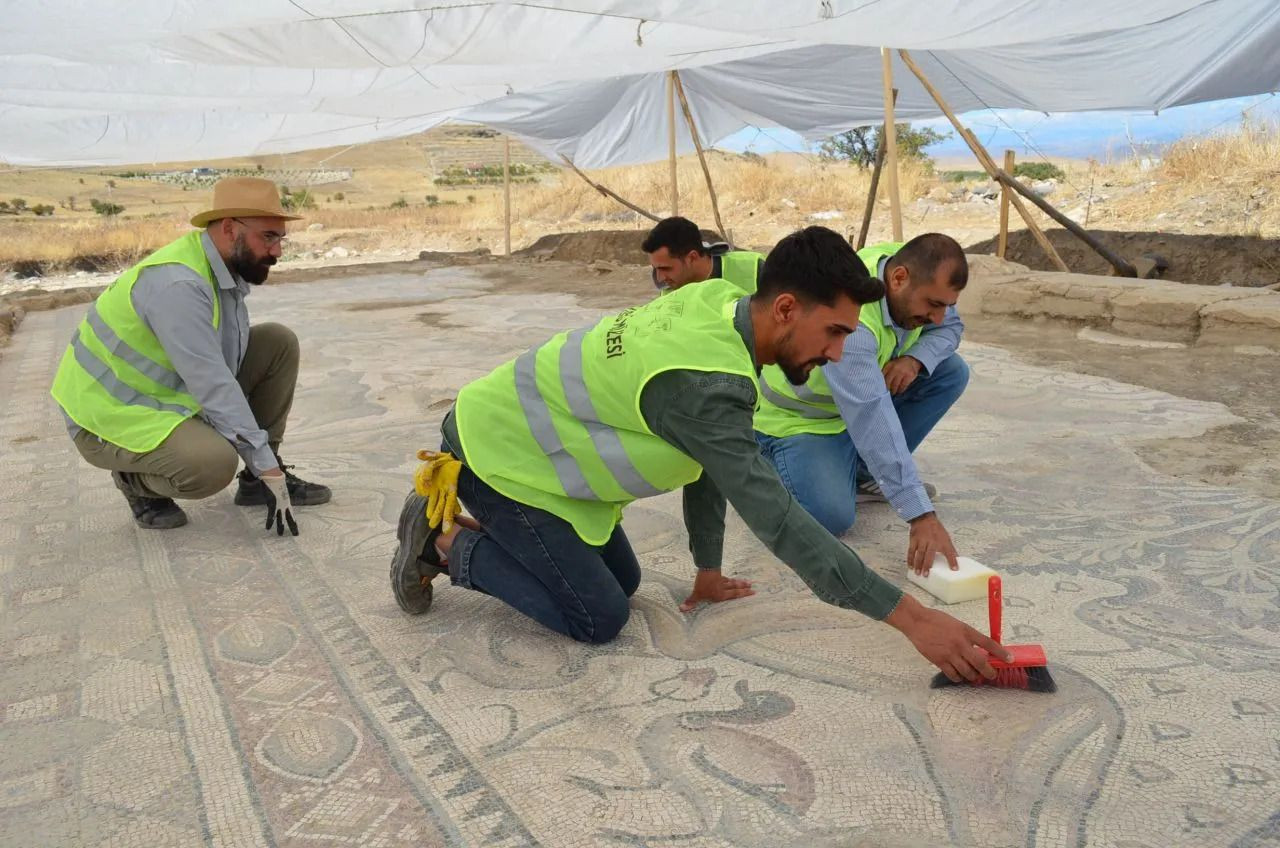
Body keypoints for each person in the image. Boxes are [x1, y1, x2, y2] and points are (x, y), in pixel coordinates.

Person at [391, 226, 1010, 686]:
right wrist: (912, 620)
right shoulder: (704, 385)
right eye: (836, 334)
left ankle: (475, 532)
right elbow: (778, 521)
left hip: (542, 456)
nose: (840, 355)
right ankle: (444, 546)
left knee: (627, 584)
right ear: (788, 308)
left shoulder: (722, 307)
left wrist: (707, 568)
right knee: (598, 616)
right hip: (498, 457)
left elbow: (707, 455)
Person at [51, 177, 331, 533]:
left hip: (165, 396)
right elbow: (213, 383)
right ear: (230, 229)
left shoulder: (218, 267)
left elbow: (222, 362)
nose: (277, 251)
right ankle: (133, 482)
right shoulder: (179, 285)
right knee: (211, 465)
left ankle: (255, 482)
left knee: (277, 342)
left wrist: (262, 464)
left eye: (280, 239)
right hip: (109, 415)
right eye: (269, 238)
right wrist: (265, 465)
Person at [754, 233, 969, 576]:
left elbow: (951, 329)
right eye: (932, 305)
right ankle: (763, 463)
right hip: (799, 423)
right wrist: (920, 515)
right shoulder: (854, 329)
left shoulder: (915, 271)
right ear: (899, 279)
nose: (939, 317)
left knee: (950, 371)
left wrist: (913, 359)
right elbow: (871, 416)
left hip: (847, 413)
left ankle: (863, 473)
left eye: (945, 305)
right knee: (830, 517)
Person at [641, 216, 762, 294]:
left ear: (692, 257)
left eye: (665, 268)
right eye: (655, 269)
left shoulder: (755, 268)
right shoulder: (668, 290)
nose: (660, 278)